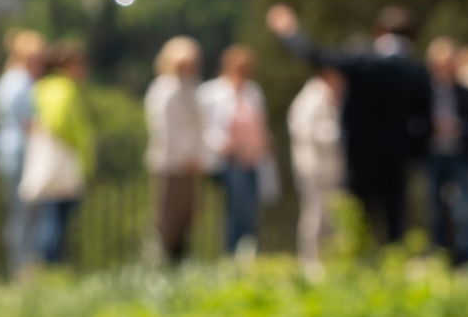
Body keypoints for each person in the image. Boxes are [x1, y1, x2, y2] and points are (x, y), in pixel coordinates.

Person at [266, 3, 432, 244]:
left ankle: (359, 264)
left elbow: (316, 56)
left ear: (379, 31)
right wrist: (413, 153)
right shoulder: (417, 72)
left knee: (359, 219)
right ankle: (395, 265)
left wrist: (289, 32)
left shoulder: (363, 60)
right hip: (396, 157)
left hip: (360, 154)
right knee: (395, 219)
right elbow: (424, 121)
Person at [200, 45, 277, 256]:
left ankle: (248, 253)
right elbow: (204, 128)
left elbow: (261, 125)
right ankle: (231, 252)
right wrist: (222, 143)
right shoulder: (211, 93)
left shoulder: (254, 92)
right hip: (229, 160)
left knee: (251, 211)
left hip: (253, 160)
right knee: (236, 210)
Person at [29, 42, 95, 266]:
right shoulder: (64, 89)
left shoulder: (43, 87)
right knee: (57, 218)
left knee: (49, 215)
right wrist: (78, 143)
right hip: (64, 159)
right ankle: (51, 265)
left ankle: (44, 263)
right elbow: (60, 122)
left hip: (53, 160)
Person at [145, 37, 207, 264]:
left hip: (189, 164)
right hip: (169, 164)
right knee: (167, 218)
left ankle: (180, 259)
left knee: (186, 217)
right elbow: (164, 129)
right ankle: (161, 260)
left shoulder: (191, 88)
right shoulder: (164, 90)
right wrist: (185, 156)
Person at [0, 30, 47, 274]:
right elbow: (28, 121)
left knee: (22, 212)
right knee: (23, 213)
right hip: (20, 151)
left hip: (13, 149)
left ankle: (23, 264)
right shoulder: (19, 82)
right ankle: (21, 266)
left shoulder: (11, 80)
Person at [424, 37, 468, 264]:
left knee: (464, 209)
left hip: (460, 156)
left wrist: (458, 127)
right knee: (434, 209)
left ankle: (465, 256)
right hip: (433, 155)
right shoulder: (423, 92)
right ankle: (439, 253)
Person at [288, 68, 345, 270]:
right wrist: (338, 135)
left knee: (332, 215)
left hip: (330, 167)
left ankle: (329, 259)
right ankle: (310, 261)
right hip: (313, 166)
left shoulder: (331, 96)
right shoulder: (311, 98)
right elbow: (304, 130)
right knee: (314, 213)